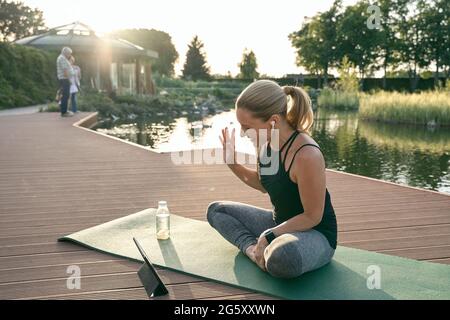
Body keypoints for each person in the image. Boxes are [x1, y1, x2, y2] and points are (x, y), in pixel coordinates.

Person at [207, 79, 337, 279]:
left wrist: (269, 235)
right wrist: (232, 162)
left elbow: (313, 216)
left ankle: (267, 251)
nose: (242, 133)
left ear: (273, 121)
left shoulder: (307, 154)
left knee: (283, 257)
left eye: (246, 126)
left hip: (315, 234)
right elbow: (262, 184)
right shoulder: (265, 143)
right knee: (216, 211)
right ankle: (253, 251)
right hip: (279, 223)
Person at [56, 47, 74, 117]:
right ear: (66, 53)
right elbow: (65, 71)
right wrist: (69, 80)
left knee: (66, 95)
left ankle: (65, 110)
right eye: (69, 54)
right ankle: (64, 112)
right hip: (65, 79)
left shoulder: (62, 58)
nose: (70, 55)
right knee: (65, 96)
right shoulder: (62, 58)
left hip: (64, 79)